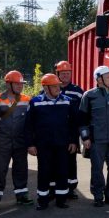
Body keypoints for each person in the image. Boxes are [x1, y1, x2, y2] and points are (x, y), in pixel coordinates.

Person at [25, 74, 78, 210]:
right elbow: (28, 125)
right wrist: (30, 144)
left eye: (58, 86)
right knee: (44, 172)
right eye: (54, 86)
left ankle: (61, 200)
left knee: (62, 171)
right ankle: (43, 200)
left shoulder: (67, 101)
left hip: (62, 144)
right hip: (43, 145)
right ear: (45, 87)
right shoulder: (35, 102)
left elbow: (73, 123)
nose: (57, 89)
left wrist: (73, 141)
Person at [79, 65, 109, 207]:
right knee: (97, 169)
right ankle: (98, 196)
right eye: (108, 77)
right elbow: (82, 119)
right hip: (97, 140)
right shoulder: (89, 96)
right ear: (99, 79)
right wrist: (86, 138)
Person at [0, 70, 32, 207]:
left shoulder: (27, 100)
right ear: (8, 84)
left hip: (20, 141)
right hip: (2, 141)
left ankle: (22, 195)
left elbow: (31, 122)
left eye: (21, 84)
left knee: (21, 169)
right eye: (17, 84)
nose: (20, 86)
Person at [55, 60, 84, 198]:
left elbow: (82, 113)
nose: (66, 76)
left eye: (68, 73)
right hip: (55, 133)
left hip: (71, 132)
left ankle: (71, 188)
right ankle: (55, 187)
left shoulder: (78, 91)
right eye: (63, 73)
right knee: (55, 161)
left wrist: (77, 136)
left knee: (71, 161)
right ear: (58, 74)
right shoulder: (50, 88)